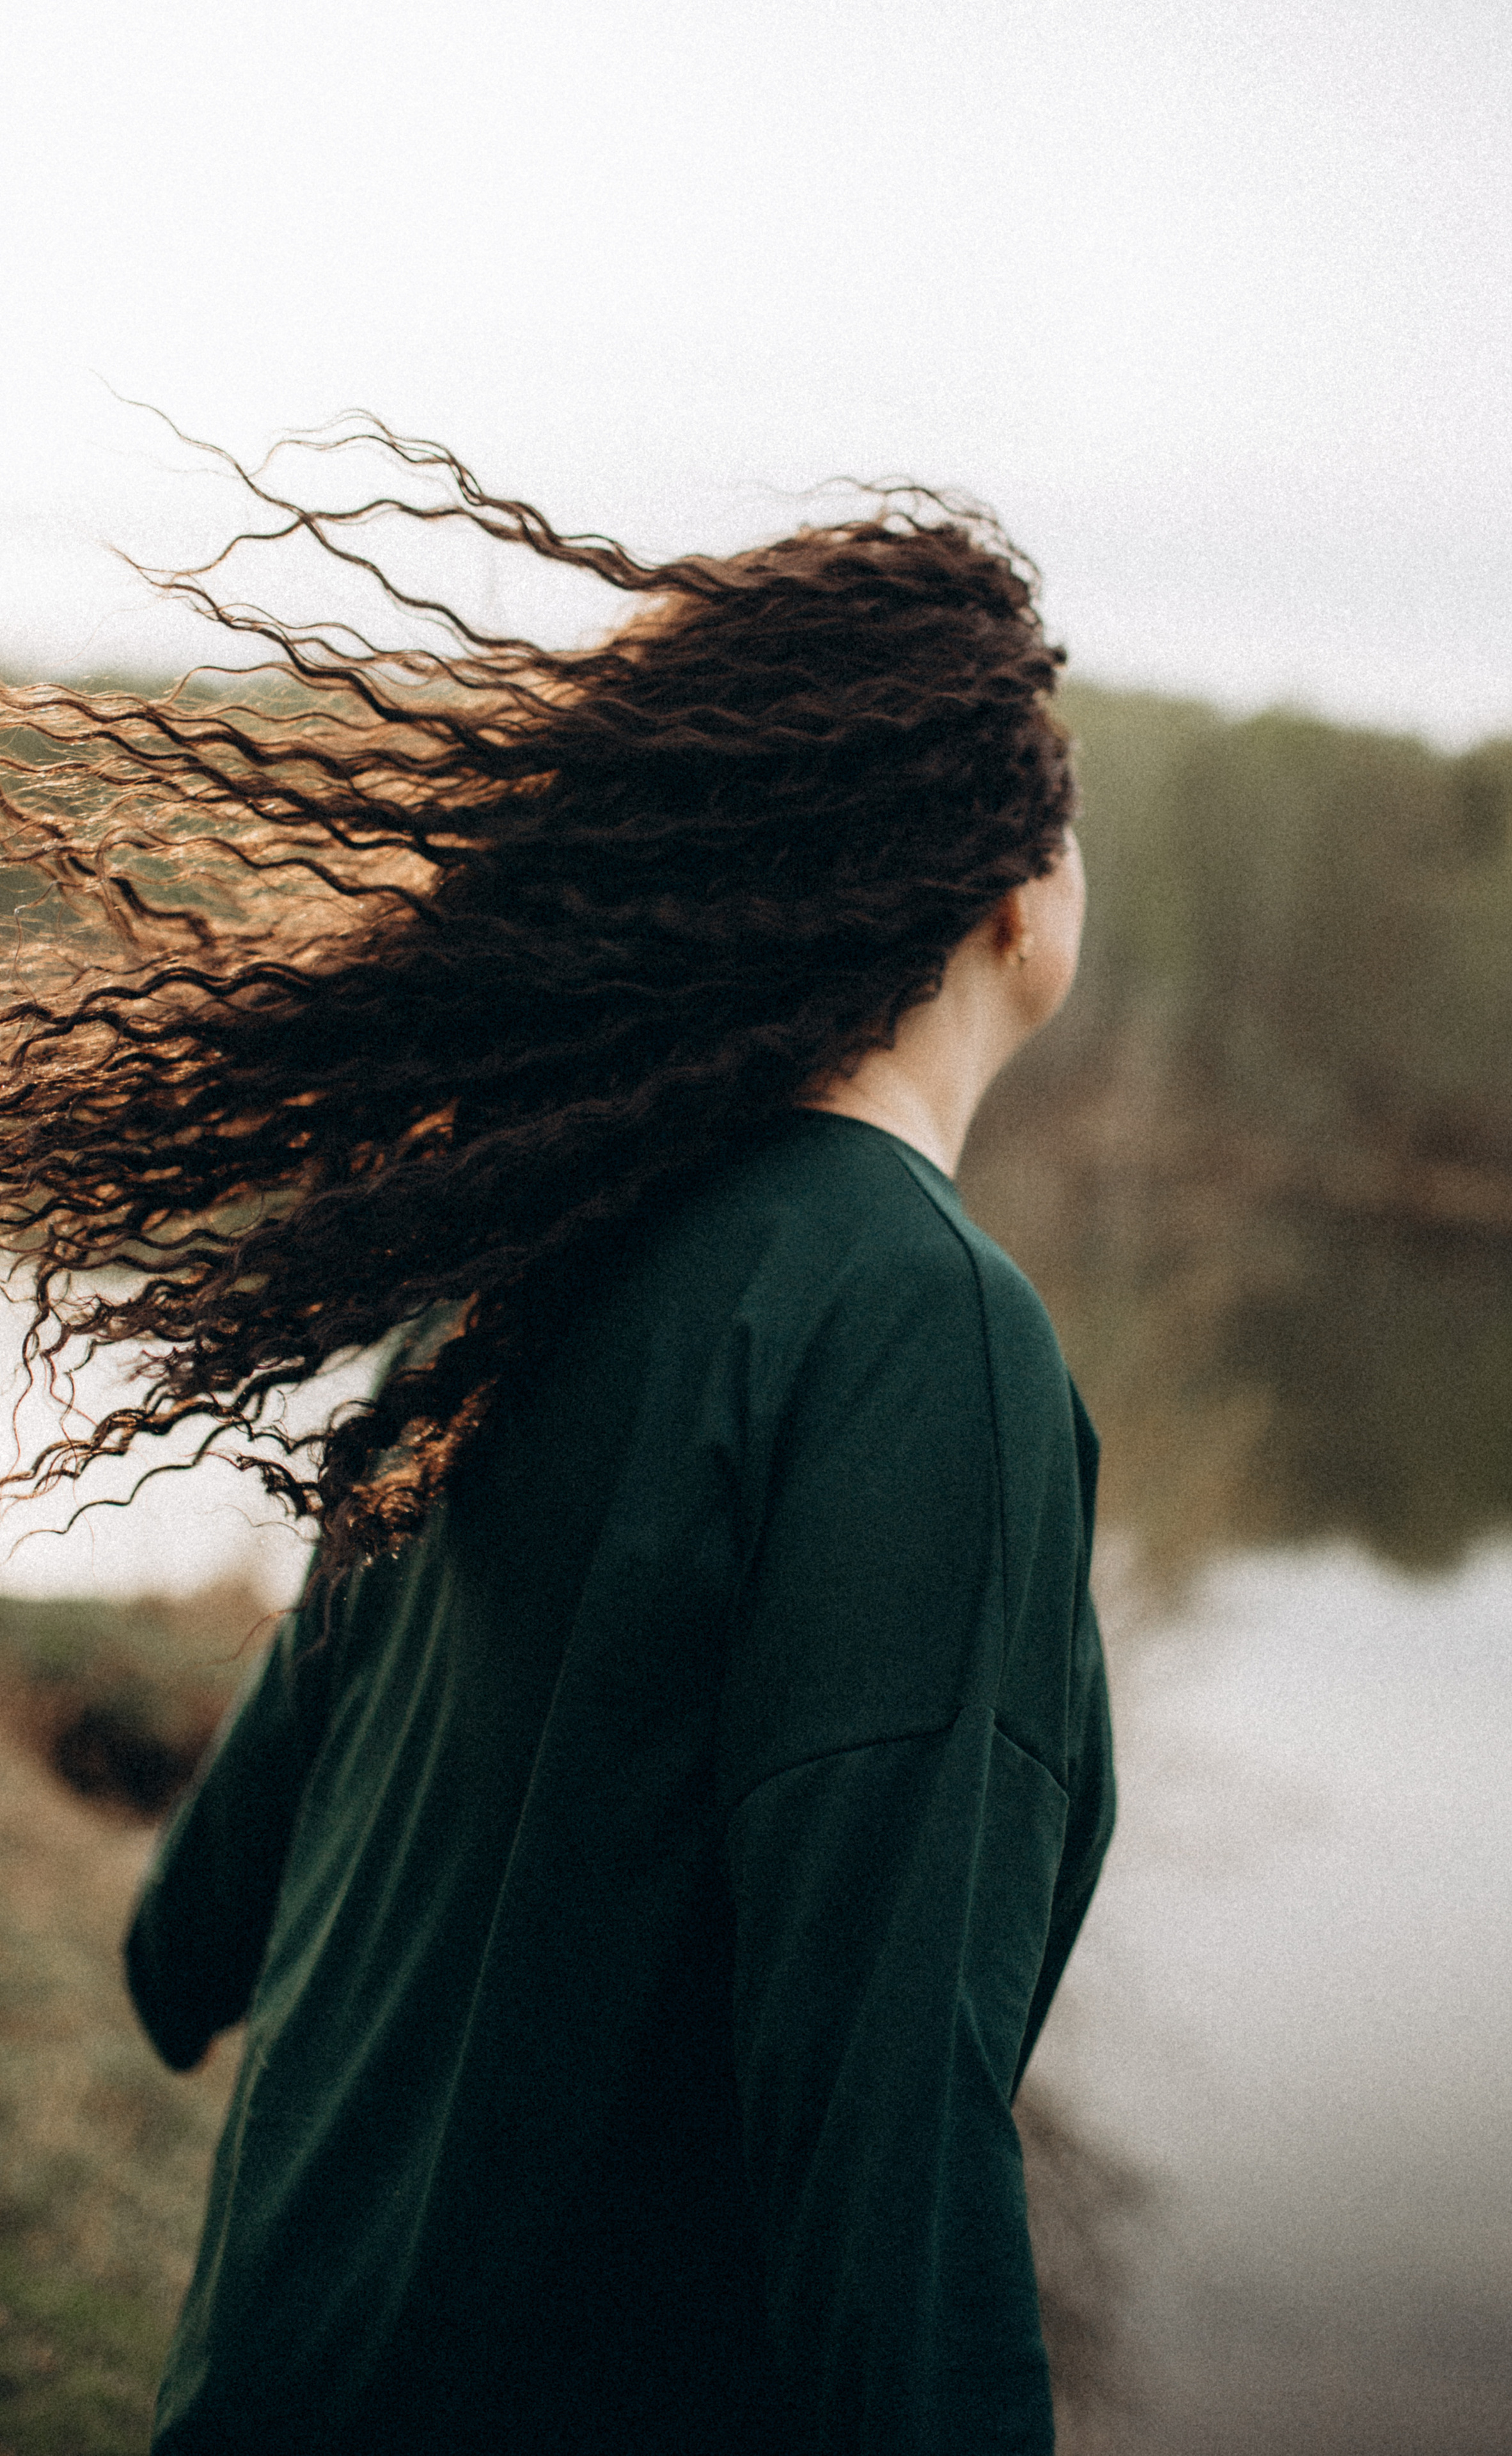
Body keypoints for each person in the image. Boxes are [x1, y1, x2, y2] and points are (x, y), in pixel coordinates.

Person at [0, 428, 1115, 2454]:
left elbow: (196, 1925)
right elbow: (895, 2129)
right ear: (1011, 900)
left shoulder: (520, 1262)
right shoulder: (923, 1325)